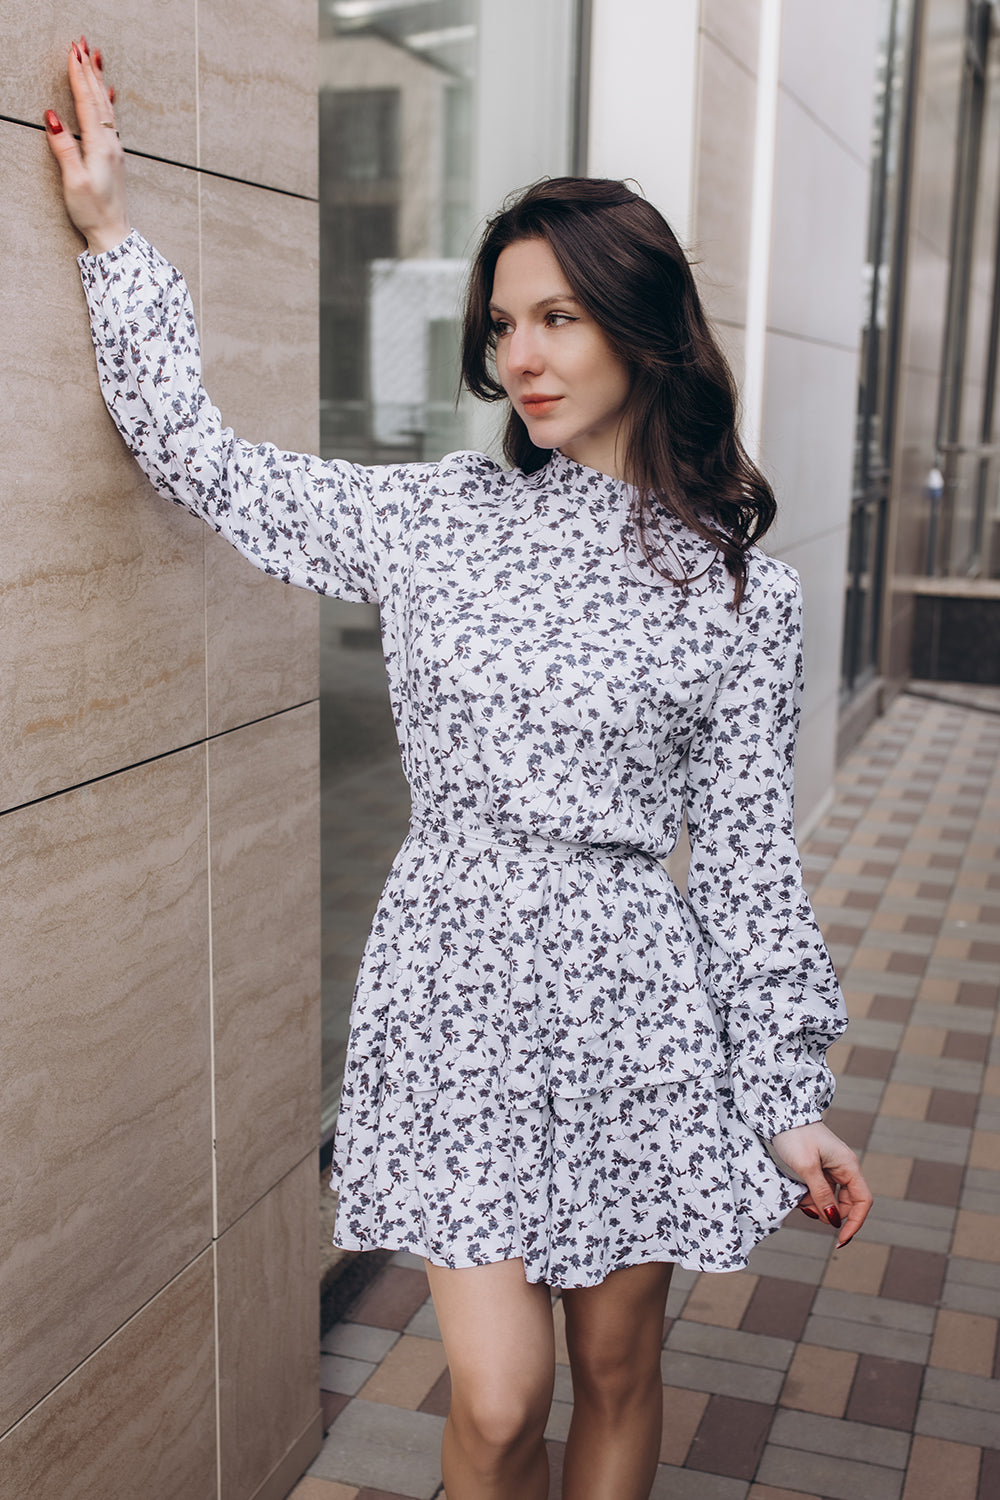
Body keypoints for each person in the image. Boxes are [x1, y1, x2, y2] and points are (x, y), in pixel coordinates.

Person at [46, 38, 873, 1500]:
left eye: (560, 317)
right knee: (498, 1400)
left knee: (618, 1372)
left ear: (644, 328)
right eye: (504, 325)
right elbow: (208, 461)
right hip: (456, 981)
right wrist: (113, 234)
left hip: (635, 1000)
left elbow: (746, 864)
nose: (525, 356)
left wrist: (789, 1096)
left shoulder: (743, 590)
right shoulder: (444, 519)